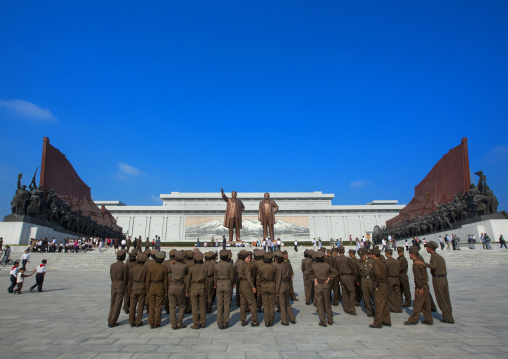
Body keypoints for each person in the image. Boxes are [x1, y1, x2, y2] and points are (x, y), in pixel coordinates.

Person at [416, 241, 454, 324]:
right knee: (446, 298)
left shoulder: (433, 257)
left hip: (438, 279)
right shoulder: (439, 256)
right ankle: (449, 314)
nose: (426, 249)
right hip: (443, 278)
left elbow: (433, 266)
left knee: (441, 298)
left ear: (429, 248)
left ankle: (448, 318)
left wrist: (423, 264)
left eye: (427, 247)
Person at [305, 251, 338, 327]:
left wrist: (314, 279)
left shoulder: (314, 266)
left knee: (319, 304)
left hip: (318, 285)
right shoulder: (327, 265)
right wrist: (329, 278)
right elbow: (335, 272)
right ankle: (330, 319)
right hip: (326, 285)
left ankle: (323, 321)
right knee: (327, 303)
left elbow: (306, 273)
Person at [405, 246, 433, 325]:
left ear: (412, 254)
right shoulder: (420, 260)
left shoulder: (416, 264)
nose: (409, 256)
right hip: (425, 285)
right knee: (426, 304)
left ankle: (413, 319)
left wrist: (419, 288)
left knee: (417, 303)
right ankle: (429, 319)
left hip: (421, 286)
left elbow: (418, 277)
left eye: (410, 254)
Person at [214, 249, 236, 329]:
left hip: (219, 283)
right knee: (227, 304)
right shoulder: (230, 265)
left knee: (219, 304)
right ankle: (226, 322)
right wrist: (232, 283)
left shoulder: (216, 265)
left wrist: (215, 284)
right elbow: (232, 276)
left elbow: (215, 276)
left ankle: (219, 322)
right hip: (227, 283)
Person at [369, 248, 391, 328]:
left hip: (379, 284)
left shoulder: (376, 263)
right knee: (385, 303)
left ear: (373, 255)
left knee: (378, 303)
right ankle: (387, 320)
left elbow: (377, 274)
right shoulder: (382, 262)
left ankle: (378, 322)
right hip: (385, 284)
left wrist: (376, 282)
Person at [146, 251, 168, 328]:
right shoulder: (164, 268)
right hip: (160, 287)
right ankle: (157, 322)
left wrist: (147, 290)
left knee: (151, 306)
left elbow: (148, 280)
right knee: (159, 306)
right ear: (162, 260)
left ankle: (151, 322)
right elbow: (165, 280)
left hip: (152, 286)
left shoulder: (151, 268)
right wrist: (165, 290)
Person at [108, 249, 129, 328]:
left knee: (112, 303)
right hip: (121, 284)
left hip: (114, 284)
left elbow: (111, 276)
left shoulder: (112, 265)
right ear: (123, 257)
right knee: (118, 303)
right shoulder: (124, 266)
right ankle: (113, 321)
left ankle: (110, 319)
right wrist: (125, 284)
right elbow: (126, 277)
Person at [187, 251, 208, 329]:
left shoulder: (192, 268)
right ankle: (203, 322)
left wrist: (187, 290)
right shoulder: (204, 267)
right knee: (202, 306)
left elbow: (189, 279)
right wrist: (206, 289)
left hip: (194, 287)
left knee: (195, 306)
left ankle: (196, 324)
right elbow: (206, 280)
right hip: (202, 287)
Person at [275, 251, 296, 325]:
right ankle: (292, 318)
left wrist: (276, 291)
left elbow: (278, 279)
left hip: (282, 285)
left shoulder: (279, 266)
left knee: (282, 304)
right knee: (287, 303)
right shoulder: (287, 264)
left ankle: (284, 320)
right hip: (288, 284)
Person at [257, 251, 277, 327]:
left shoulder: (261, 267)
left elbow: (259, 278)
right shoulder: (273, 267)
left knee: (265, 304)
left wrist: (259, 286)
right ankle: (271, 320)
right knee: (272, 304)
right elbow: (276, 278)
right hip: (272, 284)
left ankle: (266, 321)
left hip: (263, 285)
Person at [128, 252, 147, 327]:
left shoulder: (133, 269)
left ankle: (131, 321)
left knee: (132, 304)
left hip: (134, 287)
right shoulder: (145, 269)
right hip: (142, 287)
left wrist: (129, 290)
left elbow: (130, 280)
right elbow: (147, 280)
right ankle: (138, 321)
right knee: (140, 305)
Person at [336, 247, 357, 315]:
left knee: (344, 293)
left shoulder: (336, 259)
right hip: (348, 276)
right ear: (344, 251)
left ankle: (346, 308)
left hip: (341, 277)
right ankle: (352, 308)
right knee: (352, 292)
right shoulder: (347, 259)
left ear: (338, 252)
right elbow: (352, 267)